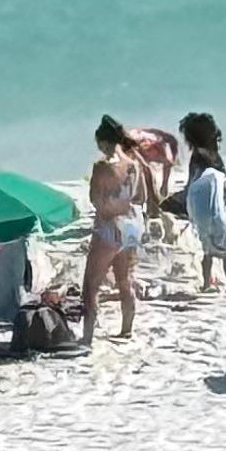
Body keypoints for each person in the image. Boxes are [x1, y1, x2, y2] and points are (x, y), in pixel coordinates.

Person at [83, 120, 149, 340]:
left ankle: (87, 336)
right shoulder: (133, 164)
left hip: (110, 226)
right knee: (124, 279)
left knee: (91, 285)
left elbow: (96, 200)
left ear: (102, 142)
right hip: (131, 223)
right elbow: (141, 197)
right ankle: (126, 329)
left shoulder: (102, 166)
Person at [180, 110, 226, 293]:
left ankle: (208, 284)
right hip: (216, 209)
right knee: (225, 251)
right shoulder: (211, 158)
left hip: (205, 211)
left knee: (208, 251)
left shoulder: (198, 158)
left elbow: (192, 185)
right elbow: (223, 183)